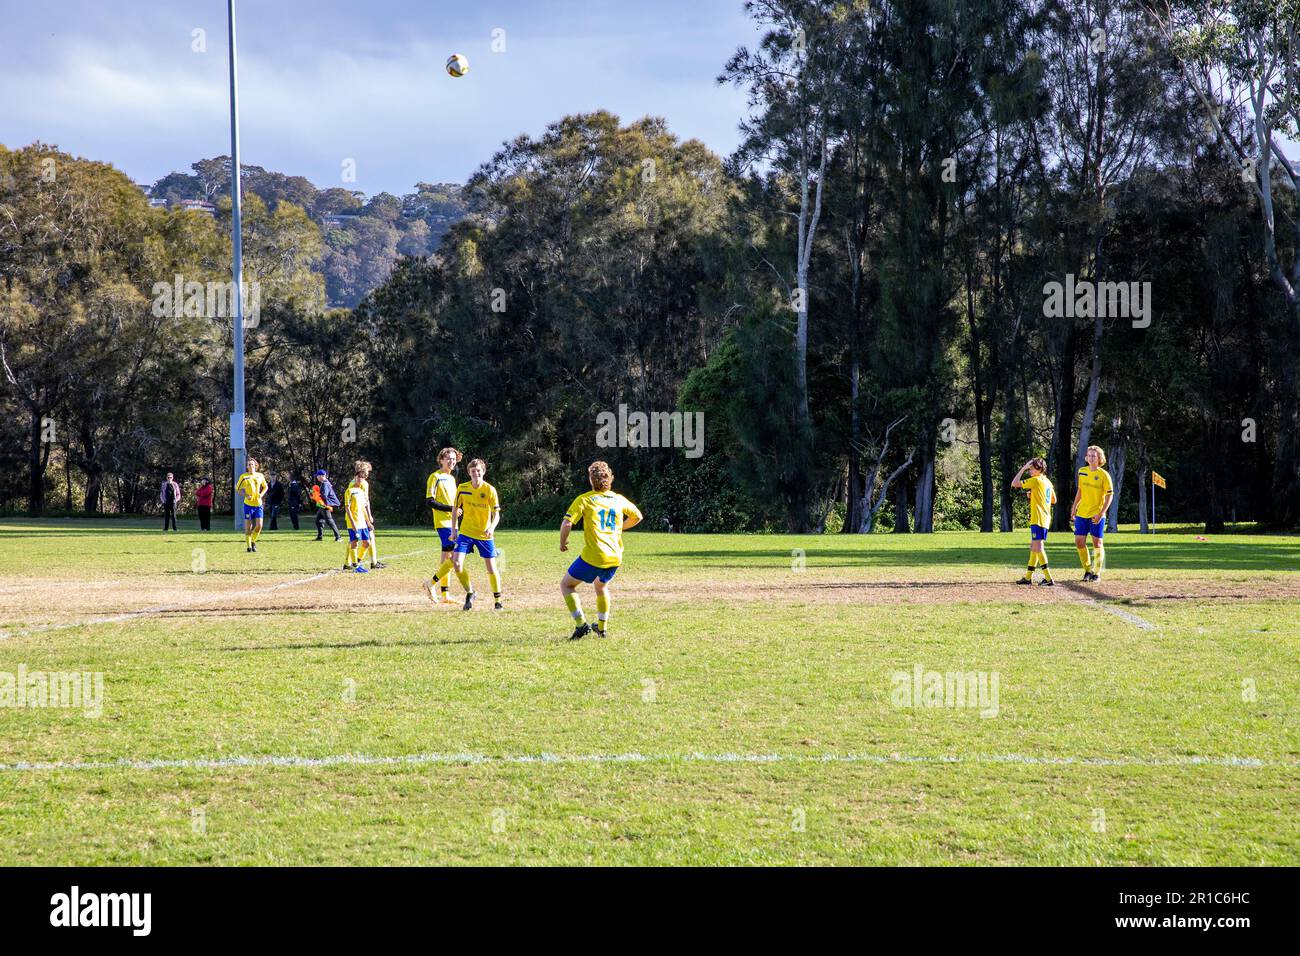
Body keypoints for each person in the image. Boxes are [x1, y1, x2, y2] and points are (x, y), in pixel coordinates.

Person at [559, 460, 642, 640]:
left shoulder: (585, 499)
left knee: (567, 585)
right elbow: (637, 516)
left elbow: (567, 522)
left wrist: (563, 542)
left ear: (591, 480)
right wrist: (619, 527)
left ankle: (581, 625)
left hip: (595, 555)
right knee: (601, 586)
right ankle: (602, 628)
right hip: (615, 556)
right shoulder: (618, 499)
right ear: (610, 479)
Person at [449, 458, 503, 611]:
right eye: (473, 471)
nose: (476, 473)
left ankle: (498, 601)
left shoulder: (489, 490)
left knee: (491, 568)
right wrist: (454, 530)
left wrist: (491, 528)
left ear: (483, 472)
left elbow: (496, 514)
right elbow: (455, 509)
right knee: (457, 563)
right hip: (466, 533)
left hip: (484, 535)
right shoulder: (462, 488)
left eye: (479, 470)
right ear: (469, 473)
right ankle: (470, 592)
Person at [422, 446, 462, 605]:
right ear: (441, 460)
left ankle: (445, 595)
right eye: (448, 459)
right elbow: (430, 501)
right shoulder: (434, 477)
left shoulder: (452, 478)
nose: (452, 462)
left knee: (446, 559)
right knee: (454, 557)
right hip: (443, 523)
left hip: (454, 523)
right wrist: (451, 509)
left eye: (454, 459)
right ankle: (430, 583)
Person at [1070, 445, 1114, 582]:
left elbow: (1109, 496)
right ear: (1086, 458)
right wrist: (1074, 507)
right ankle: (1088, 570)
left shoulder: (1104, 475)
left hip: (1097, 513)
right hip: (1082, 513)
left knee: (1097, 543)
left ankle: (1097, 573)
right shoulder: (1082, 471)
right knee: (1079, 542)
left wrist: (1101, 513)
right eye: (1089, 455)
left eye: (1094, 455)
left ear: (1100, 458)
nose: (1091, 457)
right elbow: (1080, 491)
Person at [1011, 457, 1056, 586]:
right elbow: (1054, 500)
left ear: (1040, 469)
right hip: (1045, 517)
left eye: (1032, 468)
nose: (1030, 470)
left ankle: (1048, 578)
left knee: (1038, 547)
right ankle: (1028, 577)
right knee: (1034, 547)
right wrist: (1035, 494)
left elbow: (1014, 483)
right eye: (1029, 468)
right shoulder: (1047, 481)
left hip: (1038, 517)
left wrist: (1023, 468)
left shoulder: (1036, 480)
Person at [343, 462, 374, 572]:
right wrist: (353, 521)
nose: (366, 476)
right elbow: (348, 506)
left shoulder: (362, 488)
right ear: (359, 473)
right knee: (354, 541)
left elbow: (364, 503)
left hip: (361, 519)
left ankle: (355, 562)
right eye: (365, 473)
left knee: (366, 542)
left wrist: (368, 518)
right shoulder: (351, 489)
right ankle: (353, 564)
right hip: (353, 520)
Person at [235, 457, 269, 553]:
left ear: (256, 466)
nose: (251, 466)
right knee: (248, 527)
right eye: (249, 464)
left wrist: (261, 495)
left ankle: (253, 541)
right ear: (247, 466)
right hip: (248, 505)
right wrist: (246, 495)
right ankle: (249, 547)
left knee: (259, 526)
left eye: (252, 464)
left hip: (258, 504)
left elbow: (265, 487)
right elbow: (237, 488)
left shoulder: (260, 476)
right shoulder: (243, 477)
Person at [312, 469, 341, 542]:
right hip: (322, 505)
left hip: (326, 505)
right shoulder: (324, 483)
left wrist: (316, 494)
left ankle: (338, 537)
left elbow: (324, 495)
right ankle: (319, 537)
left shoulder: (325, 484)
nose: (317, 477)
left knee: (329, 521)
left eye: (318, 476)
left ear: (322, 476)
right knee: (318, 521)